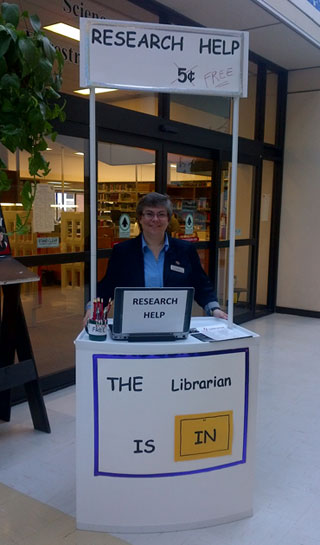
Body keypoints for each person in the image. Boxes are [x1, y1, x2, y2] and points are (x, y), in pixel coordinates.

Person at [84, 192, 227, 325]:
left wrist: (214, 309)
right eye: (149, 214)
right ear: (140, 218)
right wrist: (93, 309)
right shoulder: (123, 252)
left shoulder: (185, 250)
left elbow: (200, 284)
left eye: (161, 214)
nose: (155, 219)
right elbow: (108, 286)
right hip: (134, 324)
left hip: (174, 323)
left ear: (168, 219)